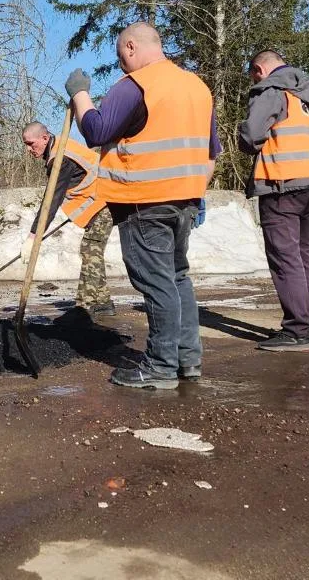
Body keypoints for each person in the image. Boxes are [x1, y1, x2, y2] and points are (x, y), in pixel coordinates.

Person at [67, 22, 220, 390]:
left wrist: (80, 94)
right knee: (177, 276)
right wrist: (195, 192)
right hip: (184, 200)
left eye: (121, 56)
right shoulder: (197, 88)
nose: (121, 65)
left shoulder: (136, 86)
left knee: (156, 282)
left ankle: (160, 366)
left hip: (143, 202)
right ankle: (187, 359)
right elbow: (212, 152)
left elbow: (97, 132)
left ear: (131, 47)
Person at [238, 50, 309, 353]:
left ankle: (296, 331)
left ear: (260, 69)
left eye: (253, 75)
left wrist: (247, 138)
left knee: (285, 258)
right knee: (302, 255)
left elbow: (251, 135)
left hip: (279, 184)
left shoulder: (271, 92)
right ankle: (305, 322)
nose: (254, 81)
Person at [19, 122, 112, 323]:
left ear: (44, 138)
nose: (28, 150)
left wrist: (33, 235)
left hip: (104, 199)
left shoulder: (61, 158)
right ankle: (103, 301)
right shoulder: (58, 149)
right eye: (25, 145)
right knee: (92, 249)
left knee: (90, 250)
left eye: (30, 144)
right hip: (98, 202)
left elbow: (51, 201)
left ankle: (83, 308)